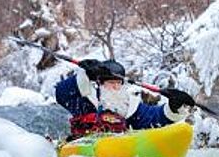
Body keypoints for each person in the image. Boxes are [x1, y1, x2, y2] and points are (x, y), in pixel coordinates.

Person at [55, 59, 195, 138]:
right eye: (110, 83)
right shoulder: (85, 101)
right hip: (83, 144)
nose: (116, 87)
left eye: (118, 83)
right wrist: (86, 75)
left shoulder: (130, 105)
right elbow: (62, 94)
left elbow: (154, 117)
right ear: (100, 84)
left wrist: (174, 108)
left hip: (117, 146)